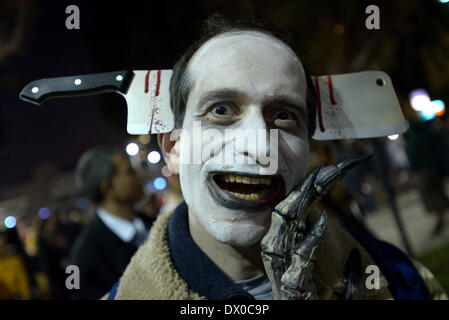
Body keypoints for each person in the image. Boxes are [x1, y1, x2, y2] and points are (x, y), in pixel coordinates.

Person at [106, 16, 447, 300]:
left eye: (283, 115)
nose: (259, 146)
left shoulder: (401, 281)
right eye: (221, 110)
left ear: (309, 152)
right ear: (174, 149)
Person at [70, 146, 153, 299]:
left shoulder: (156, 224)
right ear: (107, 186)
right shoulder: (84, 257)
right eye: (129, 171)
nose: (138, 175)